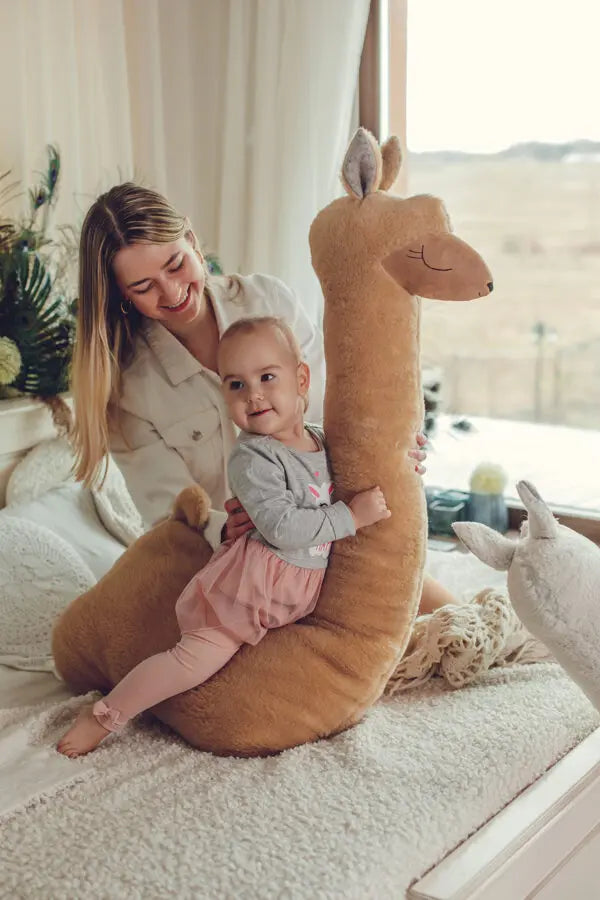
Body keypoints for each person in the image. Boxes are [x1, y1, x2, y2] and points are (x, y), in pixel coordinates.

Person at [57, 316, 398, 756]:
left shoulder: (321, 441)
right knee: (190, 662)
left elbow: (371, 455)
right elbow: (282, 527)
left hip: (304, 592)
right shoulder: (254, 456)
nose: (253, 394)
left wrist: (405, 452)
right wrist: (351, 516)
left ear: (301, 379)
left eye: (267, 377)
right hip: (248, 594)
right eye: (235, 385)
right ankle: (106, 715)